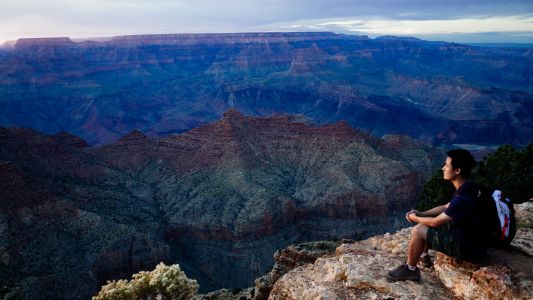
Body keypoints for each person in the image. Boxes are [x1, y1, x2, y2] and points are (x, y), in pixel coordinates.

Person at [387, 149, 485, 282]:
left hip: (469, 249)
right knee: (428, 221)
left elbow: (435, 223)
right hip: (474, 242)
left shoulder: (463, 198)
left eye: (446, 165)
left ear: (457, 170)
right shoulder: (469, 187)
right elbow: (446, 207)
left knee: (419, 229)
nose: (443, 168)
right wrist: (421, 213)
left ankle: (410, 269)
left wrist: (414, 218)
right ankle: (423, 256)